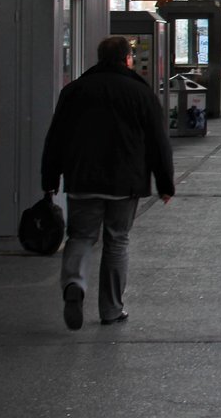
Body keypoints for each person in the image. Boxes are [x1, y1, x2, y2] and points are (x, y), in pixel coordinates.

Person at [40, 35, 175, 331]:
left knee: (81, 236)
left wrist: (49, 178)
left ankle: (74, 284)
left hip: (82, 177)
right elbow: (157, 142)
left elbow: (56, 138)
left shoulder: (74, 90)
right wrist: (165, 183)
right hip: (124, 181)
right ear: (127, 59)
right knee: (117, 240)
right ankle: (111, 309)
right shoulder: (140, 93)